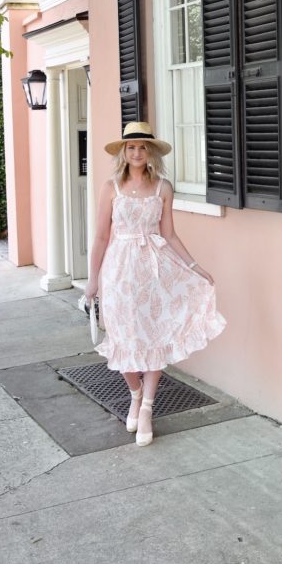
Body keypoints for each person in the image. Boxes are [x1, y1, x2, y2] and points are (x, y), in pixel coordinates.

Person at [83, 121, 225, 447]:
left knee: (153, 336)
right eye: (131, 147)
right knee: (124, 338)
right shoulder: (111, 187)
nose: (136, 152)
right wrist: (93, 281)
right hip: (118, 272)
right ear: (123, 152)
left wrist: (195, 267)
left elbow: (169, 234)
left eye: (142, 147)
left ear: (150, 153)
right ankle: (134, 394)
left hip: (154, 270)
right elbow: (102, 236)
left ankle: (147, 407)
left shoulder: (163, 187)